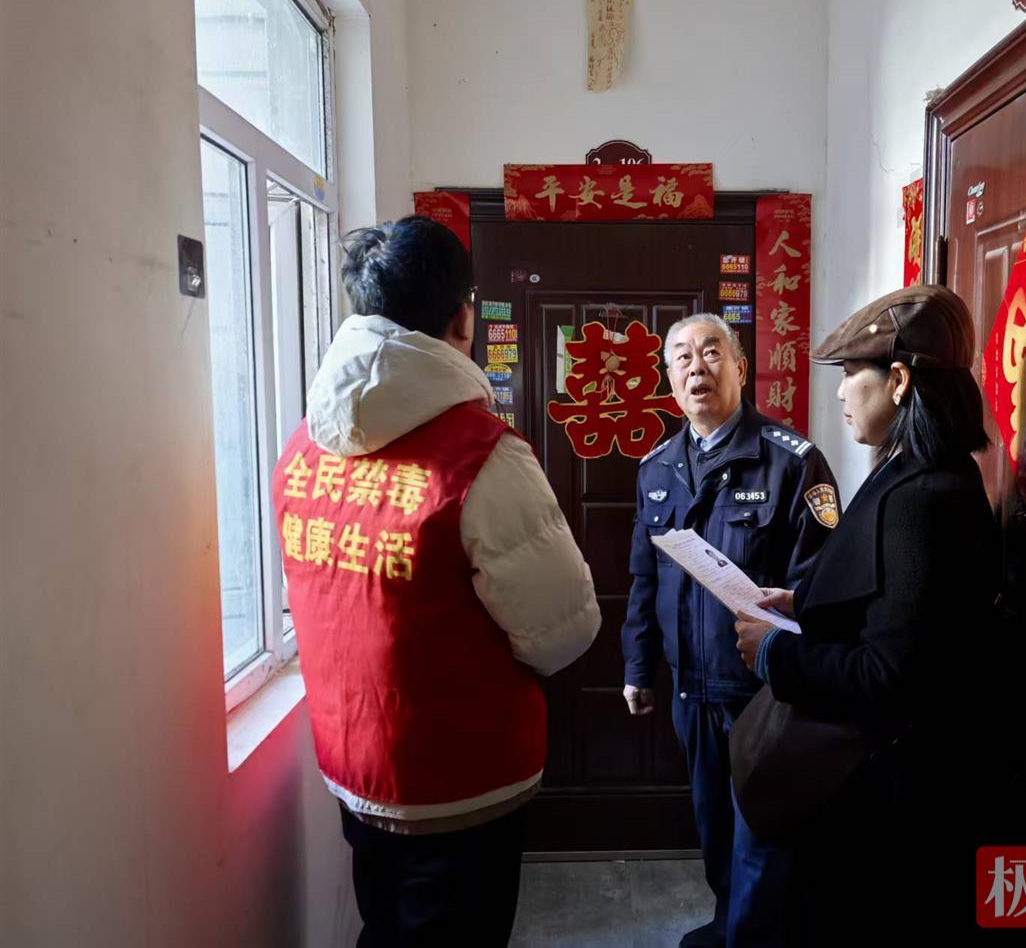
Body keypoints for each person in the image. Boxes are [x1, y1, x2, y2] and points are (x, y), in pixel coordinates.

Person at [272, 215, 600, 947]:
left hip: (355, 767)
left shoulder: (301, 448)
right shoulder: (482, 454)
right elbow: (566, 631)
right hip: (465, 780)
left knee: (384, 924)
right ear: (463, 316)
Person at [733, 284, 1001, 943]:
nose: (840, 392)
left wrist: (775, 653)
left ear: (900, 381)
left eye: (851, 372)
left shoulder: (925, 497)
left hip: (880, 798)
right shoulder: (910, 469)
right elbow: (892, 602)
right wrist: (802, 604)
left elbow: (892, 676)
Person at [621, 313, 840, 948]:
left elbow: (823, 587)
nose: (698, 367)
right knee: (714, 830)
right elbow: (644, 580)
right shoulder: (657, 468)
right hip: (690, 689)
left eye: (712, 352)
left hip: (765, 693)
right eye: (682, 358)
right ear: (670, 380)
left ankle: (750, 936)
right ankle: (729, 927)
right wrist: (638, 666)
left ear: (741, 369)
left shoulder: (793, 462)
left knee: (764, 840)